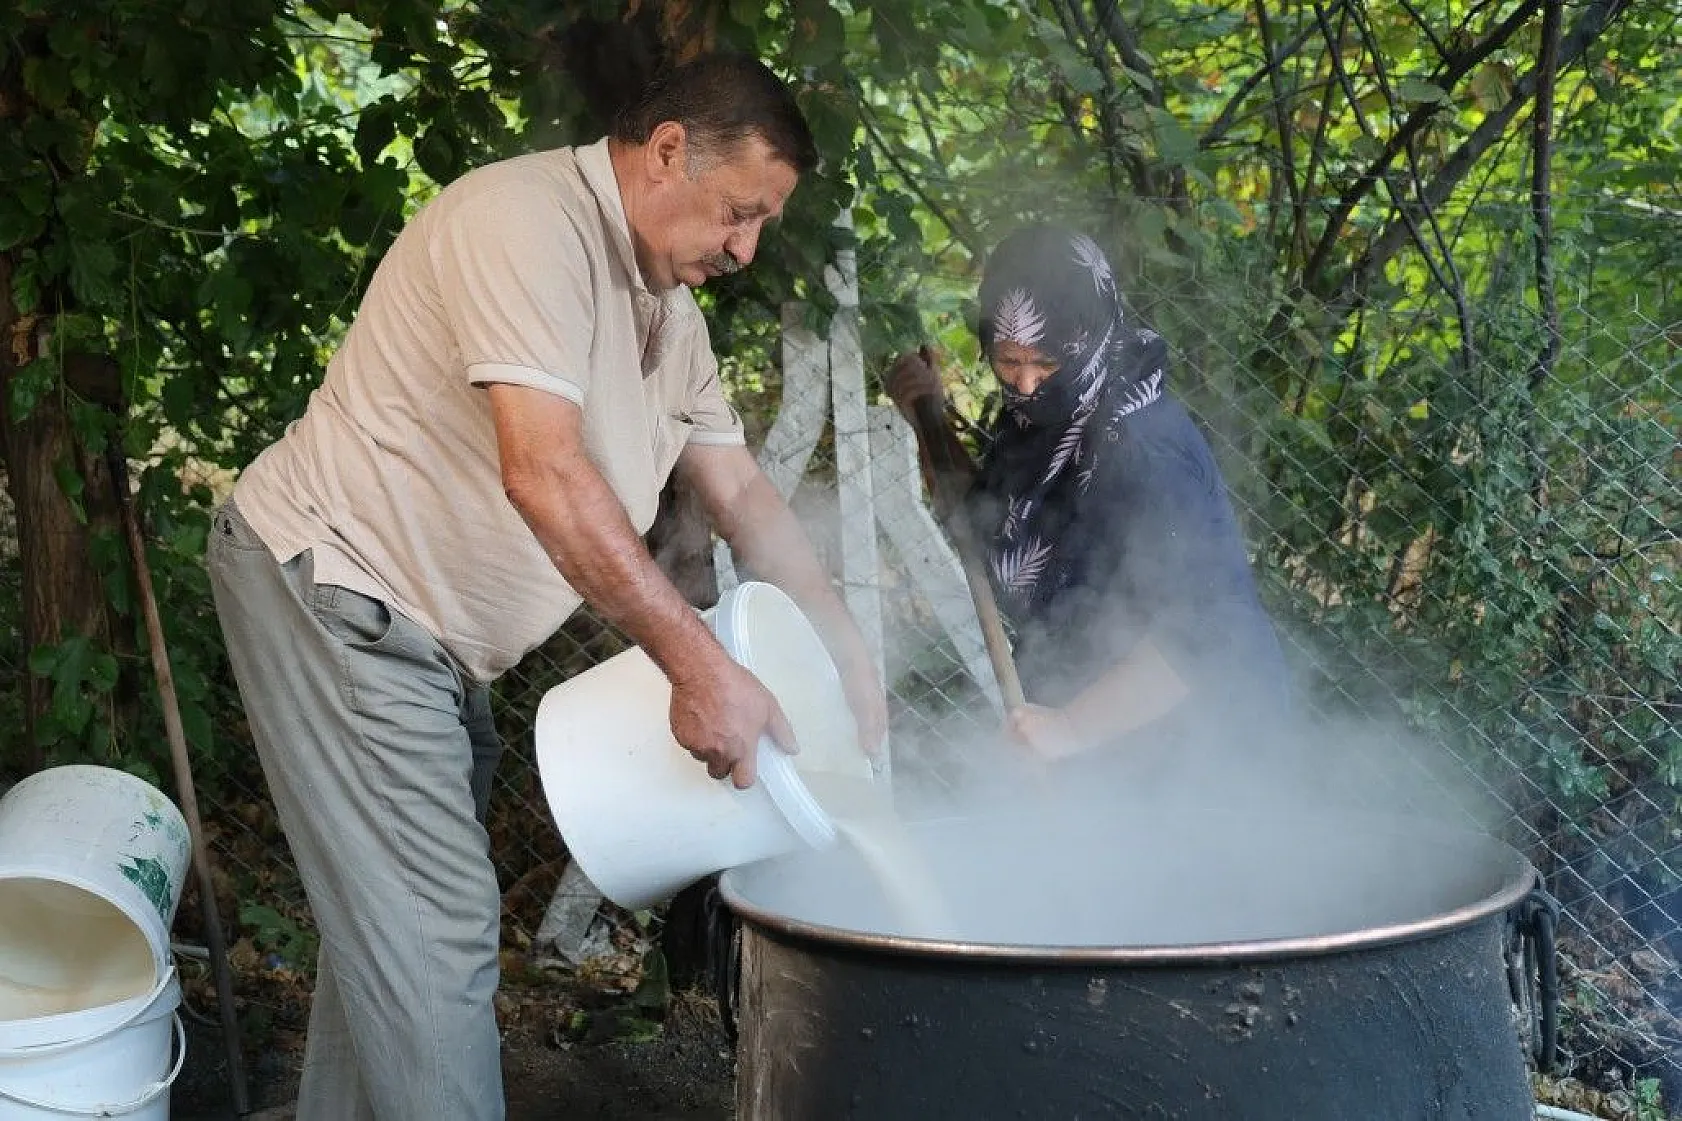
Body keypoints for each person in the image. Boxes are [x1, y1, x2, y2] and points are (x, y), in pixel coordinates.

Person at [206, 53, 886, 1120]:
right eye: (740, 212)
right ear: (668, 152)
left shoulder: (672, 317)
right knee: (433, 929)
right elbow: (545, 474)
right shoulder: (525, 225)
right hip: (337, 592)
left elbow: (742, 492)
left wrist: (843, 646)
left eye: (762, 225)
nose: (746, 249)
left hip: (432, 643)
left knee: (390, 930)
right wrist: (698, 666)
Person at [890, 224, 1287, 783]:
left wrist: (1072, 729)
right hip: (1095, 718)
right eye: (1007, 360)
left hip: (1202, 749)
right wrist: (927, 417)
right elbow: (985, 517)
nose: (1026, 385)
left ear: (1092, 335)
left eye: (1046, 364)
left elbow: (1203, 631)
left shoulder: (1142, 450)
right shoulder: (1049, 416)